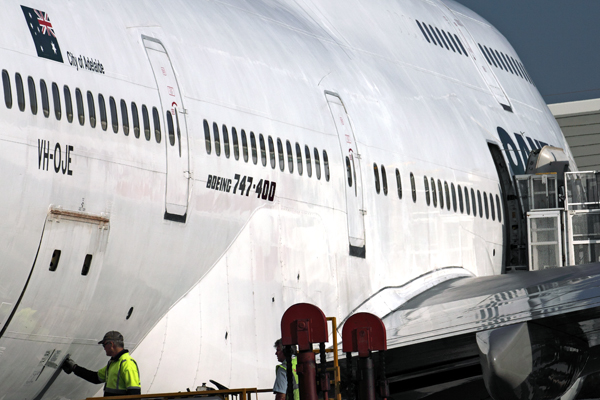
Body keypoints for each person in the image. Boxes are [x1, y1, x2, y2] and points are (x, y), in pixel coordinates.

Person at [62, 331, 141, 396]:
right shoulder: (113, 363)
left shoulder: (127, 363)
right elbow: (95, 378)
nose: (104, 348)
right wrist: (75, 367)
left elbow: (135, 393)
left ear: (111, 344)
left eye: (104, 345)